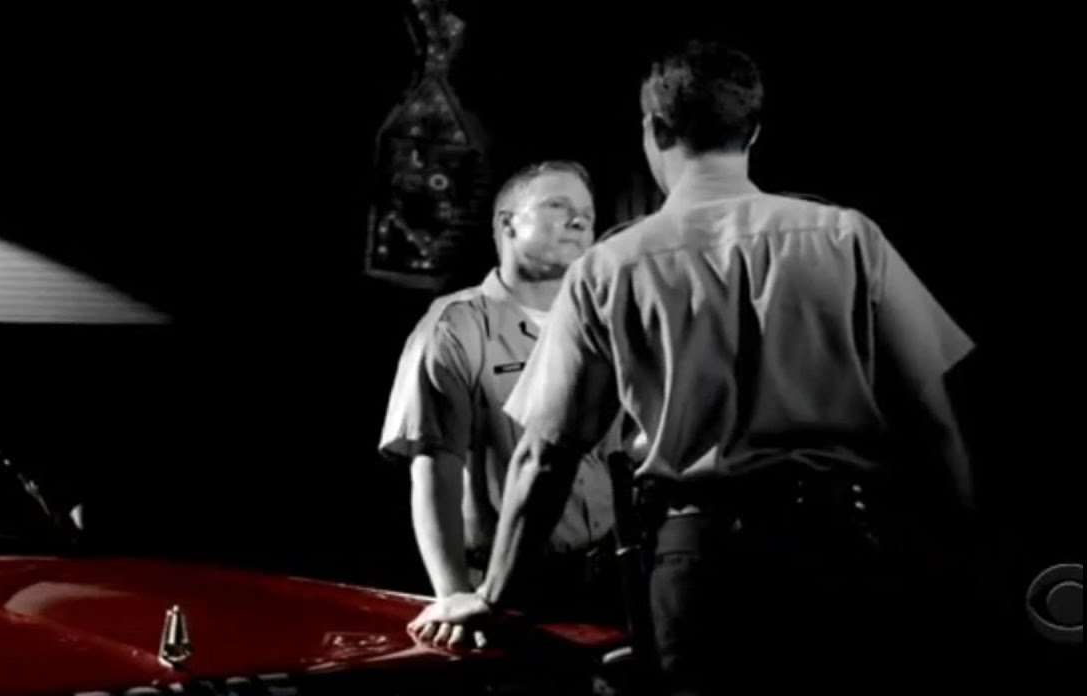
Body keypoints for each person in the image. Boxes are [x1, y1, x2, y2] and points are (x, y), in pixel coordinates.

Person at [409, 41, 977, 694]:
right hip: (843, 553)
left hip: (702, 564)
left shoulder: (610, 267)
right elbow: (934, 425)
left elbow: (545, 454)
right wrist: (962, 569)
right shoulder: (849, 237)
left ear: (654, 129)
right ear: (753, 131)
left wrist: (495, 596)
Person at [379, 161, 622, 651]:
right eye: (557, 206)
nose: (579, 221)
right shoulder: (455, 327)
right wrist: (455, 596)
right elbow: (436, 470)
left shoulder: (604, 326)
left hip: (605, 585)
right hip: (502, 591)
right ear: (508, 224)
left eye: (587, 213)